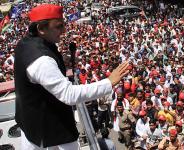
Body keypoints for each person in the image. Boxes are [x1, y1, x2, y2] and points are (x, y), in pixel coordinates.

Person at [14, 4, 129, 150]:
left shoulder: (26, 43)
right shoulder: (42, 61)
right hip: (49, 130)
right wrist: (108, 82)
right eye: (58, 26)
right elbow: (69, 95)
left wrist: (59, 61)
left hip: (33, 123)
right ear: (41, 29)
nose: (64, 30)